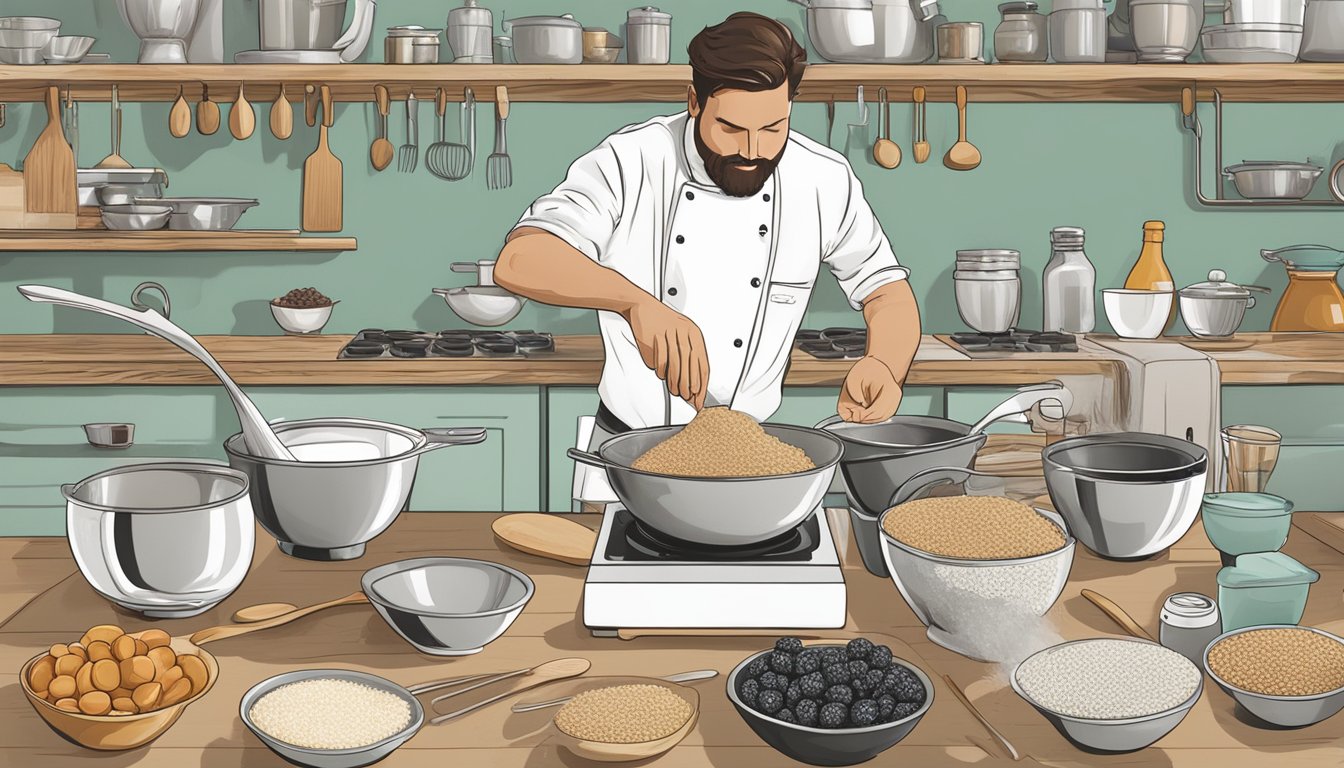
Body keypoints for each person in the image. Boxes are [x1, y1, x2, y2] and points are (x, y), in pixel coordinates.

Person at [495, 11, 921, 447]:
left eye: (773, 128)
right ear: (694, 103)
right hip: (626, 449)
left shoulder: (822, 179)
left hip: (747, 454)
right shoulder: (634, 159)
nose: (753, 150)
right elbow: (521, 259)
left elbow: (886, 291)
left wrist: (885, 364)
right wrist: (636, 303)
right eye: (731, 128)